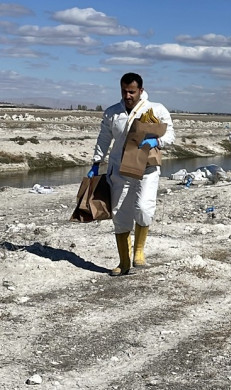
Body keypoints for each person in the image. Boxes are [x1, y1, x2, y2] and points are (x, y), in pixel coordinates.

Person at [87, 72, 175, 276]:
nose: (127, 95)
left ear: (141, 91)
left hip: (147, 170)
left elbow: (171, 134)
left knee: (144, 209)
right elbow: (104, 138)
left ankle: (139, 252)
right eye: (124, 91)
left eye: (132, 92)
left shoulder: (156, 109)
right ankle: (124, 262)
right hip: (119, 170)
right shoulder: (112, 113)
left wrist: (158, 141)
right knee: (119, 214)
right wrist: (96, 162)